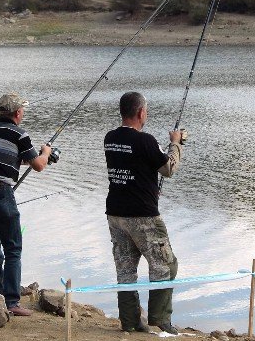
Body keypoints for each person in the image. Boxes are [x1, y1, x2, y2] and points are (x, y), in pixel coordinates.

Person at [103, 92, 183, 335]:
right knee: (166, 265)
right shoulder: (146, 141)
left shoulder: (110, 138)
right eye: (145, 111)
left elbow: (132, 168)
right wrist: (176, 143)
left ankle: (129, 321)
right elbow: (168, 168)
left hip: (116, 214)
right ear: (140, 113)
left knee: (125, 269)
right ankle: (160, 319)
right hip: (143, 216)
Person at [0, 92, 53, 316]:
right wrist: (46, 153)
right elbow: (38, 166)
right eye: (22, 110)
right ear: (17, 113)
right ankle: (12, 303)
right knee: (13, 248)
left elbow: (4, 157)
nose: (23, 113)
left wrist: (33, 156)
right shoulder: (19, 134)